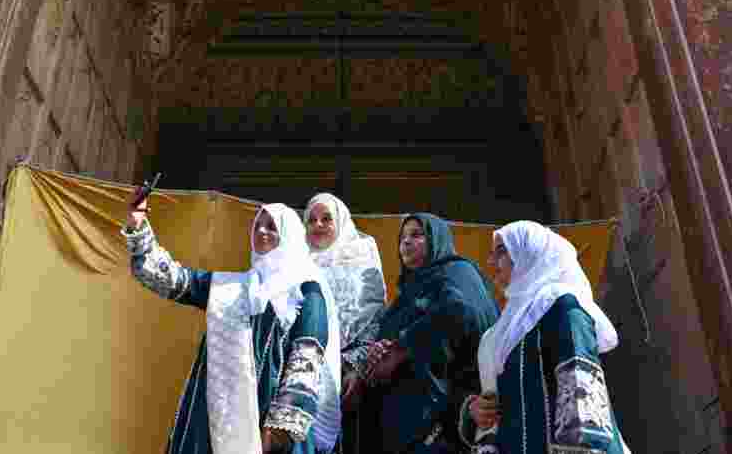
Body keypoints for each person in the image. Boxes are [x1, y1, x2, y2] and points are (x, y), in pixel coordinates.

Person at [122, 194, 341, 453]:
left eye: (271, 226)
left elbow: (307, 360)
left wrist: (279, 432)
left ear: (289, 235)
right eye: (257, 225)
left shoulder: (306, 292)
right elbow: (173, 279)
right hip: (215, 417)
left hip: (266, 425)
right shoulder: (231, 287)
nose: (261, 231)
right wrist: (138, 226)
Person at [460, 220, 629, 454]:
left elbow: (581, 401)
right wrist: (476, 412)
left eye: (501, 251)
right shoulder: (500, 333)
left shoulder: (562, 305)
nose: (490, 263)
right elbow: (495, 413)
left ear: (530, 253)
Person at [356, 213, 499, 453]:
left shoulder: (457, 272)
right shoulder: (408, 293)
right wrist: (377, 355)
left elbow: (460, 310)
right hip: (405, 420)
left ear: (437, 239)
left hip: (445, 419)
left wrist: (402, 348)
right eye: (402, 237)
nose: (406, 242)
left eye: (417, 235)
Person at [301, 194, 387, 452]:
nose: (318, 225)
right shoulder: (295, 262)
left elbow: (376, 324)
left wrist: (355, 368)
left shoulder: (362, 262)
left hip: (345, 381)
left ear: (341, 222)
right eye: (311, 220)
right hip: (300, 376)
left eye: (326, 219)